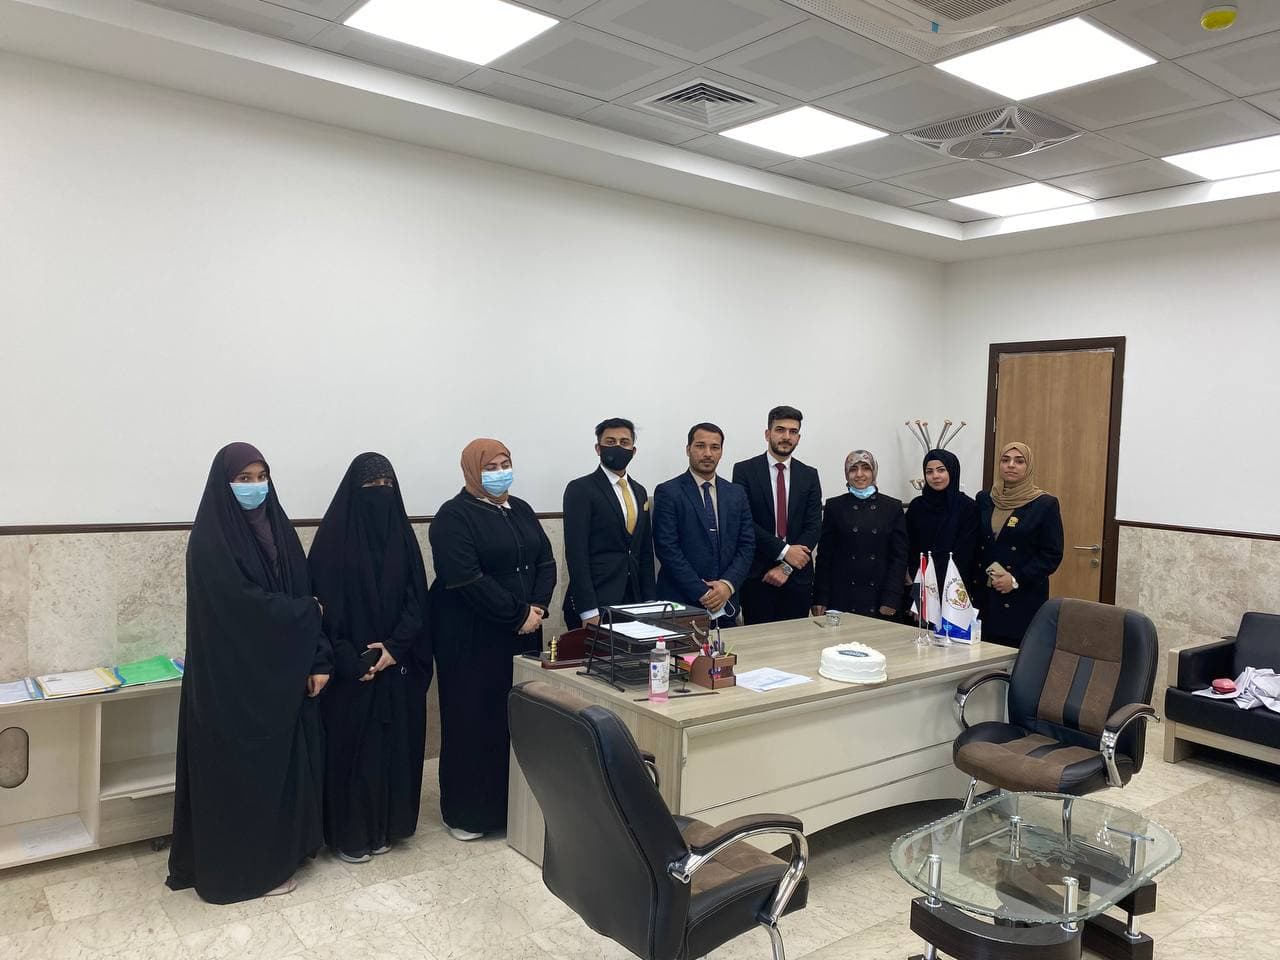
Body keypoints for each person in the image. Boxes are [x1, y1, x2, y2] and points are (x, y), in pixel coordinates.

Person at [167, 442, 329, 903]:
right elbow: (240, 607)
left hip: (278, 679)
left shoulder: (279, 529)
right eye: (244, 478)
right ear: (224, 484)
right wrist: (305, 613)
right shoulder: (209, 540)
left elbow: (304, 590)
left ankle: (280, 856)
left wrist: (316, 657)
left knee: (279, 772)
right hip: (231, 685)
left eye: (261, 477)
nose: (255, 486)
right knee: (238, 777)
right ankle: (241, 873)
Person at [428, 439, 555, 840]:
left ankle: (515, 808)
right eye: (491, 467)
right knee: (474, 720)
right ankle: (469, 814)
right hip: (472, 639)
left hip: (524, 633)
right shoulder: (452, 517)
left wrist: (537, 607)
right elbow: (466, 578)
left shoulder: (521, 509)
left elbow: (546, 561)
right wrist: (517, 614)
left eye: (505, 464)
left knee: (518, 719)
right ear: (471, 471)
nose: (500, 473)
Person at [309, 453, 431, 864]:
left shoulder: (403, 537)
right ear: (353, 491)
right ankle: (351, 835)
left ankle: (389, 827)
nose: (380, 493)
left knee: (395, 748)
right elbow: (321, 608)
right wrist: (350, 658)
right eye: (371, 486)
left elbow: (417, 599)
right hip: (351, 671)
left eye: (387, 485)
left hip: (397, 665)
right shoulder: (331, 543)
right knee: (355, 752)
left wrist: (394, 649)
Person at [653, 423, 754, 625]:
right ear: (688, 449)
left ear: (721, 452)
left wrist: (727, 585)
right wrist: (703, 592)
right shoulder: (668, 492)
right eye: (700, 446)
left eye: (715, 447)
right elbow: (667, 548)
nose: (708, 453)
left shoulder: (736, 493)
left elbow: (747, 545)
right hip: (681, 603)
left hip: (726, 602)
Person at [731, 405, 822, 624]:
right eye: (780, 430)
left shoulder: (809, 474)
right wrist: (784, 551)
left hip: (797, 577)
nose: (786, 437)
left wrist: (786, 566)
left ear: (798, 438)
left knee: (796, 641)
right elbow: (745, 522)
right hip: (757, 576)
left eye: (793, 431)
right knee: (758, 641)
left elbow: (813, 526)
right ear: (767, 433)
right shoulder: (744, 470)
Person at [562, 418, 656, 628]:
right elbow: (576, 554)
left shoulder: (640, 491)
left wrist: (650, 601)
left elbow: (645, 551)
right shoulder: (580, 489)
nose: (618, 447)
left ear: (633, 450)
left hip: (633, 600)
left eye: (624, 442)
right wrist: (588, 610)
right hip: (596, 601)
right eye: (610, 442)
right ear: (598, 448)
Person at [976, 441, 1064, 647]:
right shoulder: (985, 499)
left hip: (1021, 596)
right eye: (1005, 460)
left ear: (1028, 466)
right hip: (985, 595)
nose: (1011, 465)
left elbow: (1052, 554)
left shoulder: (1044, 504)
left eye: (1019, 461)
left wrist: (1016, 579)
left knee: (1016, 656)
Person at [812, 450, 908, 622]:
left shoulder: (892, 507)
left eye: (866, 468)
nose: (859, 474)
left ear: (874, 472)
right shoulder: (834, 506)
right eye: (853, 469)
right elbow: (825, 557)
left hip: (880, 596)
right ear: (846, 474)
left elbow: (899, 558)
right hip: (842, 596)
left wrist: (892, 597)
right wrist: (820, 596)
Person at [905, 448, 980, 608]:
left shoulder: (967, 507)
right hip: (920, 582)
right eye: (929, 471)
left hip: (954, 584)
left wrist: (943, 586)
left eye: (941, 470)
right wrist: (918, 585)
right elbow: (909, 547)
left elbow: (966, 554)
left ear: (952, 471)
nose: (935, 476)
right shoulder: (916, 506)